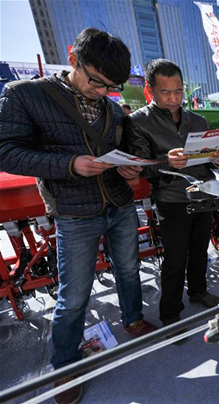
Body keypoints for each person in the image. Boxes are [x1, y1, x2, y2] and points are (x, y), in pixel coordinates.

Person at [0, 28, 157, 404]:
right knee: (73, 296)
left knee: (129, 268)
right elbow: (6, 152)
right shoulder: (25, 95)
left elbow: (127, 145)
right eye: (98, 82)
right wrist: (68, 164)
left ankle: (133, 316)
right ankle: (65, 364)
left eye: (111, 86)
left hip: (119, 204)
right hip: (74, 213)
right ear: (74, 60)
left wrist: (132, 166)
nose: (103, 91)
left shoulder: (113, 108)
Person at [124, 59, 219, 331]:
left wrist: (217, 159)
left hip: (203, 193)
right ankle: (170, 313)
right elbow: (140, 166)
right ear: (150, 91)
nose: (173, 98)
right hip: (171, 199)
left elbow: (210, 161)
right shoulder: (138, 122)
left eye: (178, 91)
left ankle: (198, 291)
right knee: (175, 259)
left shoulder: (198, 119)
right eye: (165, 92)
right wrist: (166, 162)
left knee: (200, 251)